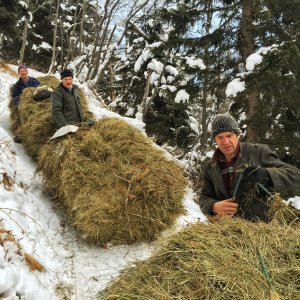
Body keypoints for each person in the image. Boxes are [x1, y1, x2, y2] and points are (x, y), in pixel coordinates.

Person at [199, 113, 300, 221]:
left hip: (262, 226)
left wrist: (266, 174)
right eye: (220, 137)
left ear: (237, 135)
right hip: (228, 228)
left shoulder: (258, 152)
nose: (225, 142)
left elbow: (295, 175)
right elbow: (204, 197)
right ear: (215, 139)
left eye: (229, 136)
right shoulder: (210, 167)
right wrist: (213, 206)